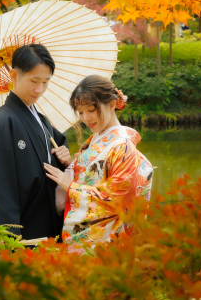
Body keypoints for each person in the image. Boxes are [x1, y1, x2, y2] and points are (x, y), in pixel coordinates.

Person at [44, 75, 153, 251]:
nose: (86, 118)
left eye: (91, 110)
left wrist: (71, 186)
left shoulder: (122, 145)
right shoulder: (96, 139)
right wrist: (69, 165)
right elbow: (93, 177)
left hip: (106, 242)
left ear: (111, 105)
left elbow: (120, 199)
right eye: (80, 112)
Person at [0, 44, 72, 241]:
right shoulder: (5, 119)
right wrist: (7, 238)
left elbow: (58, 153)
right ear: (14, 75)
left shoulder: (41, 120)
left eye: (46, 82)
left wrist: (64, 160)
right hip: (24, 230)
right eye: (34, 80)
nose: (40, 89)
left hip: (48, 225)